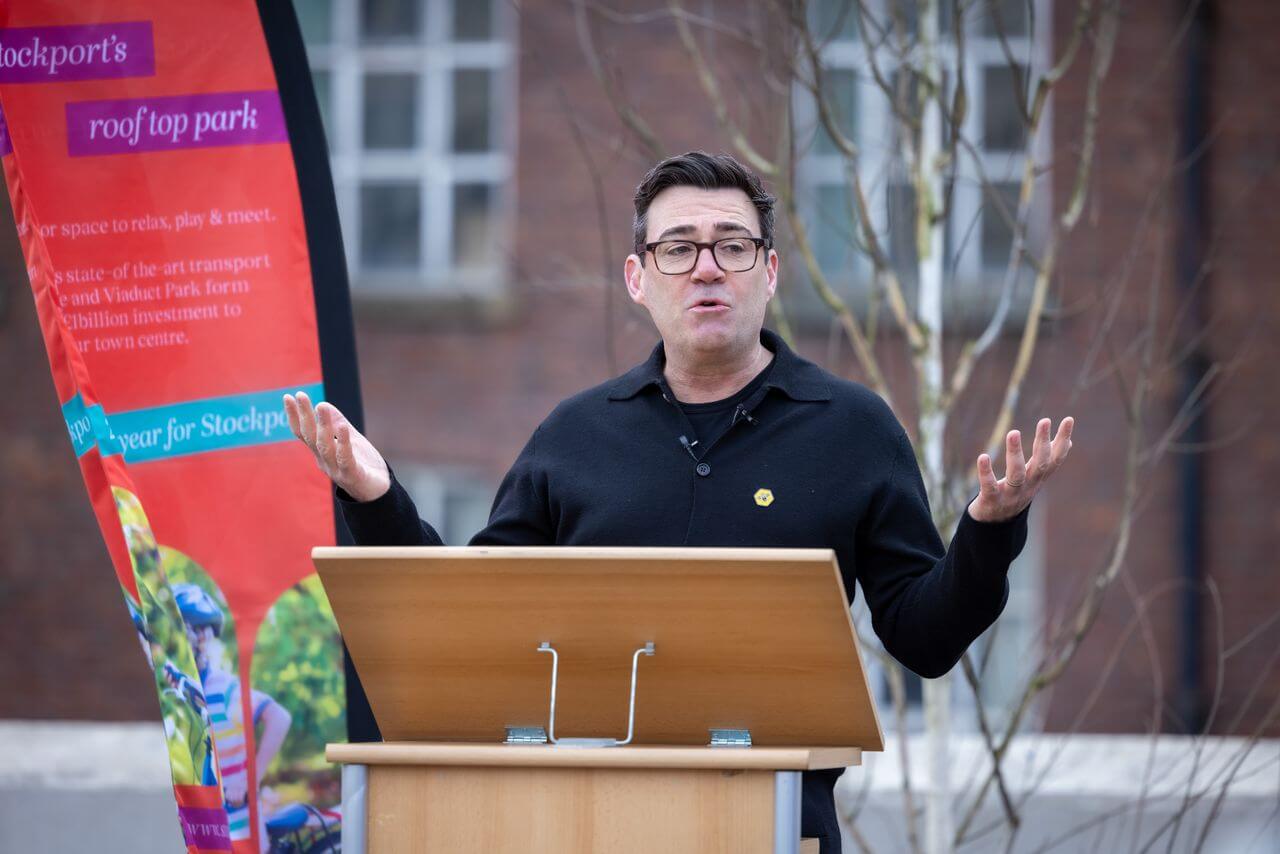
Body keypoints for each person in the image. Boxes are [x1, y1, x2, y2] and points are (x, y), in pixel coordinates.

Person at [283, 151, 1074, 853]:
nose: (706, 268)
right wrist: (376, 497)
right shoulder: (576, 433)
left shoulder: (855, 430)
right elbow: (475, 626)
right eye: (677, 248)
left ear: (769, 273)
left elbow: (924, 638)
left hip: (776, 824)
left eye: (732, 245)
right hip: (578, 825)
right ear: (638, 279)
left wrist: (987, 530)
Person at [174, 582, 292, 853]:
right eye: (195, 630)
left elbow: (279, 718)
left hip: (239, 824)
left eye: (205, 632)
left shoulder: (223, 688)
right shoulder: (180, 693)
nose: (202, 639)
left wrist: (249, 779)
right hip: (203, 824)